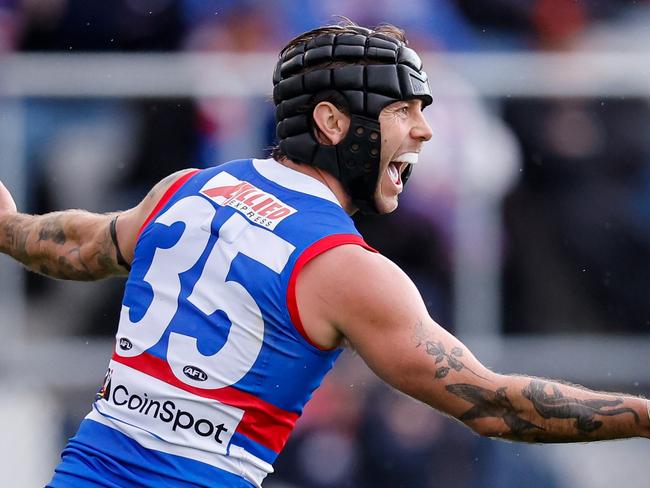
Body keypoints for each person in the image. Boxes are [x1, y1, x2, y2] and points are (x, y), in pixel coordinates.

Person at [0, 21, 648, 488]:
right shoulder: (345, 269)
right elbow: (497, 406)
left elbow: (74, 246)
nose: (423, 130)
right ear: (334, 124)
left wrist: (6, 223)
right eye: (402, 110)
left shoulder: (189, 189)